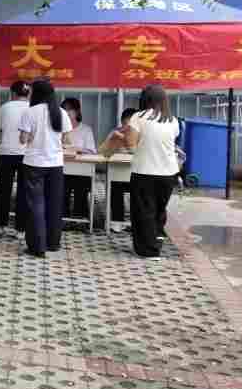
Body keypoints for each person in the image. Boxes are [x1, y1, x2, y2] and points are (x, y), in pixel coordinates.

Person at [110, 85, 181, 260]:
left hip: (145, 172)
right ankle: (157, 240)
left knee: (143, 211)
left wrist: (121, 137)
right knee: (158, 209)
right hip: (169, 173)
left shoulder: (138, 117)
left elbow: (131, 144)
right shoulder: (172, 120)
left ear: (144, 99)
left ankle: (149, 250)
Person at [18, 79, 73, 258]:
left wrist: (33, 137)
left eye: (31, 91)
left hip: (34, 163)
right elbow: (67, 140)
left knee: (35, 204)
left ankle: (37, 246)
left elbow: (23, 139)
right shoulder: (61, 112)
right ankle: (53, 243)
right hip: (55, 164)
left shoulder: (30, 112)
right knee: (54, 204)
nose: (29, 94)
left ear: (37, 93)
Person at [0, 81, 31, 238]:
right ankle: (21, 229)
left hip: (6, 152)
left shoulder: (5, 107)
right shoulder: (32, 108)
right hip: (26, 154)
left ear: (13, 93)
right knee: (24, 192)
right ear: (28, 94)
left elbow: (0, 130)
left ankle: (0, 226)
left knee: (3, 190)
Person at [101, 108, 138, 232]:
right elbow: (102, 152)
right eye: (125, 125)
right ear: (121, 123)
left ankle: (136, 222)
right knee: (115, 187)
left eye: (131, 127)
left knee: (140, 191)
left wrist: (129, 145)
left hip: (136, 174)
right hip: (117, 173)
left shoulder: (142, 136)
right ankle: (117, 220)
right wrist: (112, 140)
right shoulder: (116, 133)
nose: (127, 129)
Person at [60, 97, 97, 221]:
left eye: (70, 110)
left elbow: (92, 151)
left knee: (81, 186)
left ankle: (79, 218)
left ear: (77, 112)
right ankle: (62, 217)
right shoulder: (59, 129)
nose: (67, 113)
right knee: (60, 186)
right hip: (63, 169)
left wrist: (76, 149)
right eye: (64, 110)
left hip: (82, 171)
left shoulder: (86, 129)